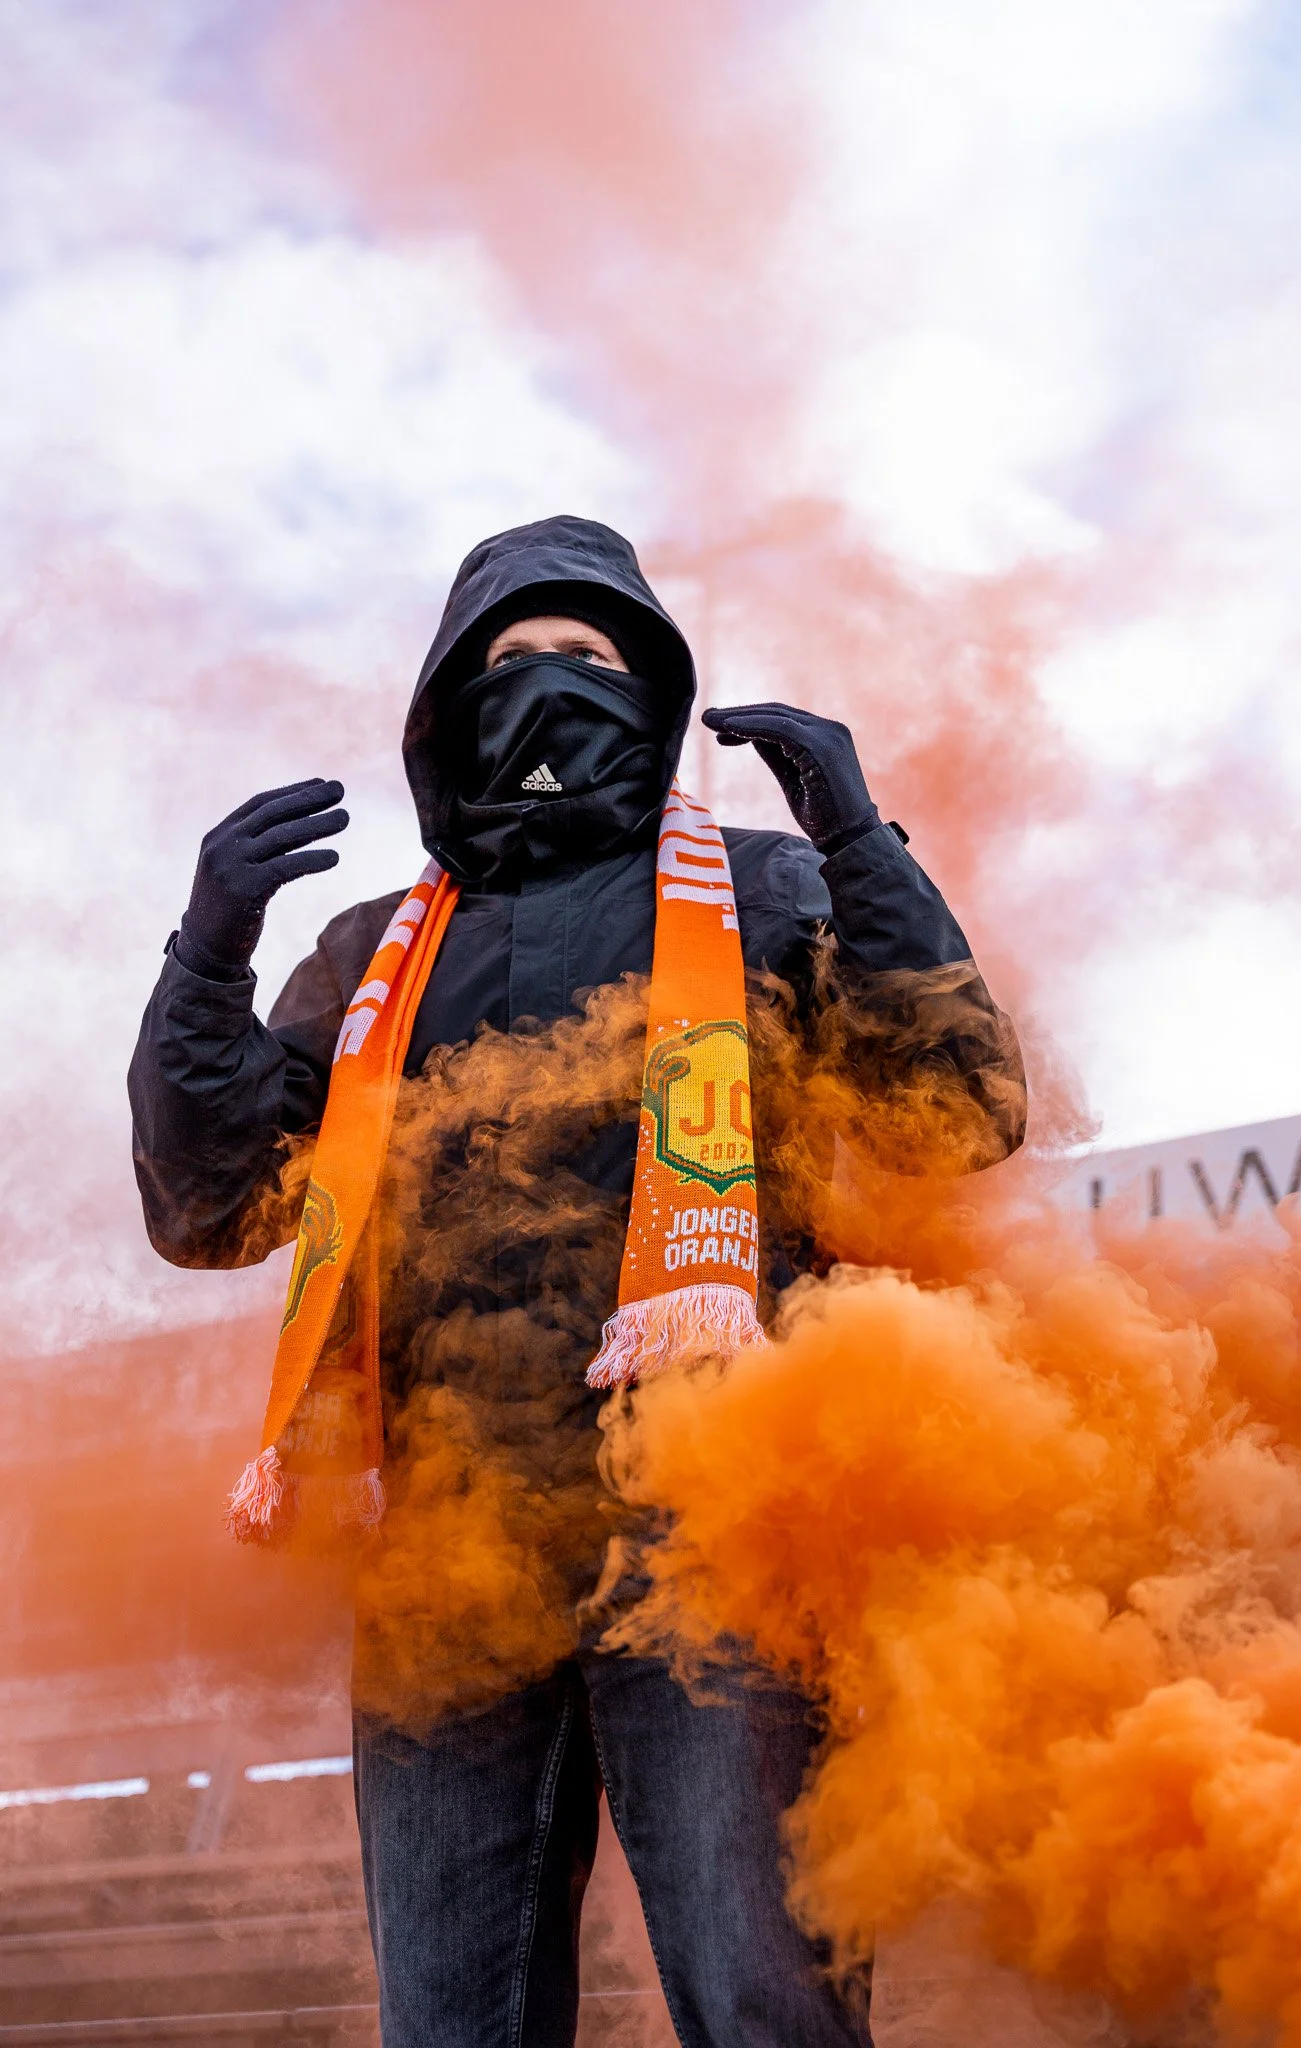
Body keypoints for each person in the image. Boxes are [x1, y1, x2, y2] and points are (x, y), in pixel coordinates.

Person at [129, 514, 1025, 2048]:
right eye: (512, 660)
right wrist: (204, 958)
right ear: (443, 708)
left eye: (590, 658)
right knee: (451, 2022)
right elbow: (208, 1206)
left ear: (657, 694)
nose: (549, 681)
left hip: (714, 1533)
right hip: (443, 1555)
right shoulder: (367, 950)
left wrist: (861, 847)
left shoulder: (763, 884)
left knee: (766, 2000)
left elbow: (955, 1104)